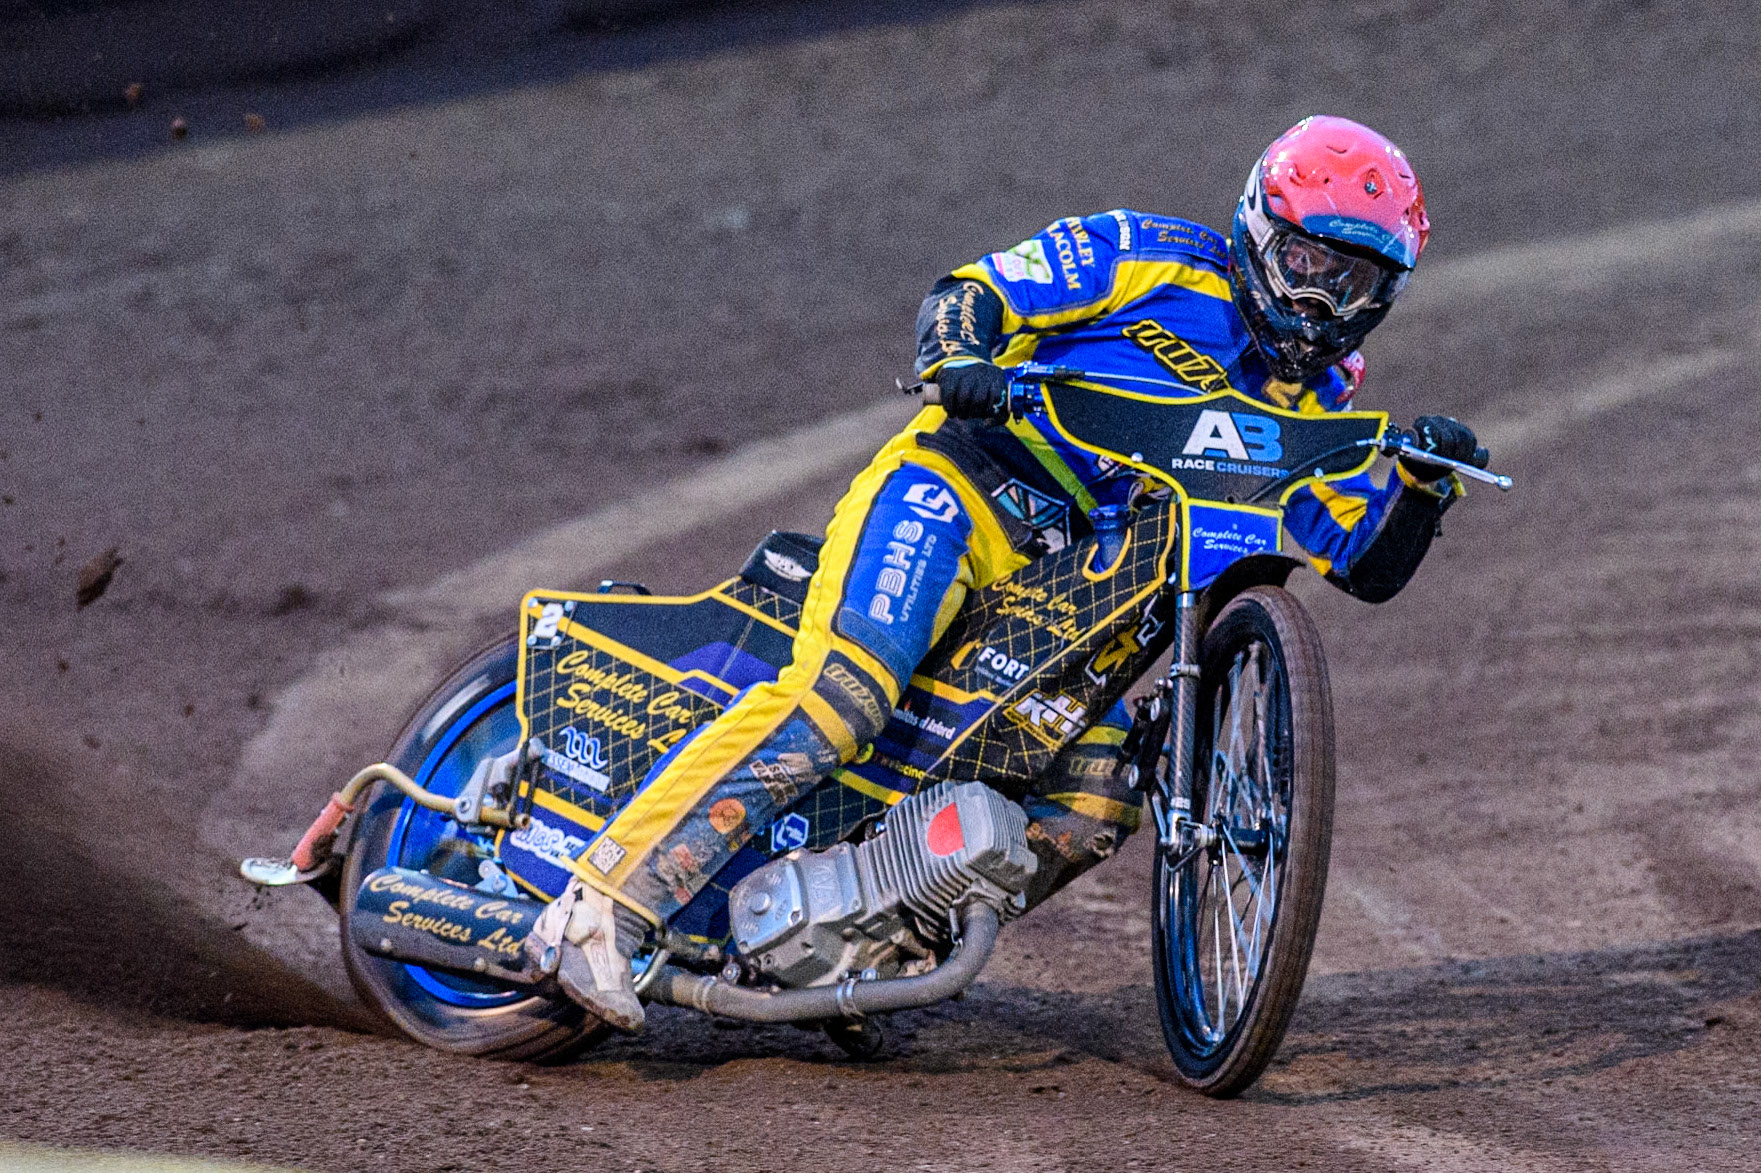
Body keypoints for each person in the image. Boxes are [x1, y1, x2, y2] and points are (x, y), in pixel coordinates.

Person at [525, 115, 1484, 1033]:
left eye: (1354, 281)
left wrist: (1419, 488)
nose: (1321, 300)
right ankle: (602, 905)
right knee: (843, 692)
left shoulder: (1324, 399)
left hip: (1061, 597)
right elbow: (970, 291)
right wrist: (961, 358)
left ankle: (866, 947)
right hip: (958, 495)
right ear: (1258, 229)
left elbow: (1358, 563)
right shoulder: (1142, 251)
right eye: (1309, 262)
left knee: (1099, 792)